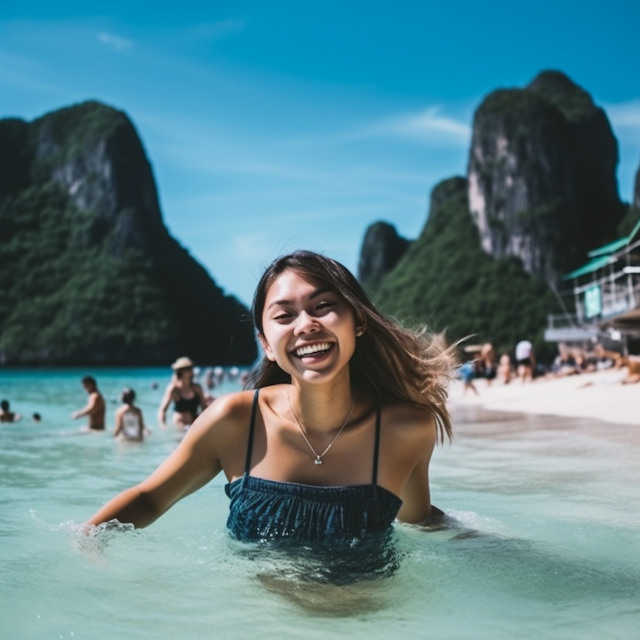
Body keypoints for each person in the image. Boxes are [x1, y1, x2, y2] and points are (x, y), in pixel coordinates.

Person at [88, 251, 456, 548]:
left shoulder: (405, 429)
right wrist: (84, 540)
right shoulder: (235, 422)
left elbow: (419, 521)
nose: (306, 324)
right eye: (284, 315)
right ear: (266, 344)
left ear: (358, 321)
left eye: (323, 305)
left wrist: (490, 546)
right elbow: (151, 499)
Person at [157, 357, 209, 430]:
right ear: (181, 371)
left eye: (191, 368)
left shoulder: (196, 388)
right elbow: (162, 410)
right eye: (188, 368)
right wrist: (163, 425)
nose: (191, 370)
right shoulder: (174, 389)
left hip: (194, 423)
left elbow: (204, 407)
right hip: (180, 425)